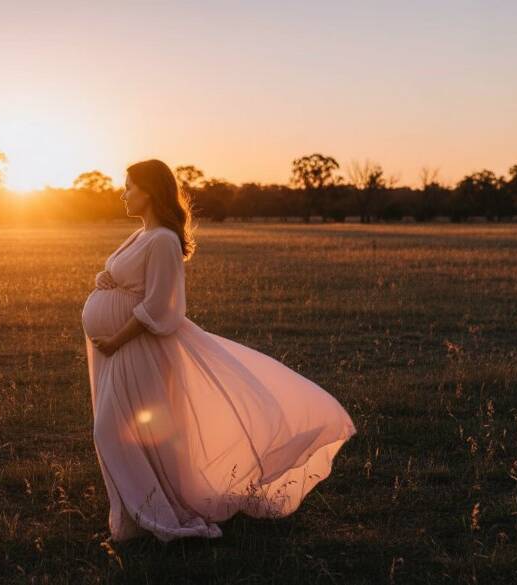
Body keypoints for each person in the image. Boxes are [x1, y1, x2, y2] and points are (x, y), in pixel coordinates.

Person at [81, 159, 357, 542]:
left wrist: (115, 339)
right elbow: (128, 282)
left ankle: (157, 515)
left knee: (112, 432)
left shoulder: (162, 238)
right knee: (127, 435)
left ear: (150, 191)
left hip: (136, 349)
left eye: (129, 186)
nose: (123, 193)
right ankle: (135, 517)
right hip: (120, 349)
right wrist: (107, 281)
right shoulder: (142, 234)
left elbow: (160, 305)